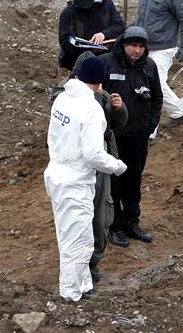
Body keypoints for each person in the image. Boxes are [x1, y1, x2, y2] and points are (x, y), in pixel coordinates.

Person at [44, 55, 127, 301]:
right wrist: (117, 166)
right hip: (75, 181)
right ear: (100, 81)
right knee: (77, 241)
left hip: (57, 173)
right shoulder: (91, 108)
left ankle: (84, 285)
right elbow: (93, 154)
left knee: (74, 235)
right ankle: (70, 294)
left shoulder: (62, 98)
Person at [100, 26, 163, 247]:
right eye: (133, 45)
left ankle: (131, 221)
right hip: (114, 139)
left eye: (141, 46)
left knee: (133, 179)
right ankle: (115, 225)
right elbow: (97, 98)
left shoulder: (149, 66)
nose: (137, 50)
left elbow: (157, 99)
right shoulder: (108, 63)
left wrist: (150, 126)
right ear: (124, 44)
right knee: (114, 182)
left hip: (138, 135)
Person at [134, 0, 183, 131]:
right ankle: (179, 112)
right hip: (144, 45)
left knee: (154, 84)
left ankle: (150, 131)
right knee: (146, 83)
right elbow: (141, 16)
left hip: (164, 47)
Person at [58, 0, 125, 70]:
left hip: (108, 57)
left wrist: (104, 34)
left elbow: (120, 26)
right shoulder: (69, 13)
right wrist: (87, 48)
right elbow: (64, 40)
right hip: (79, 61)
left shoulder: (107, 5)